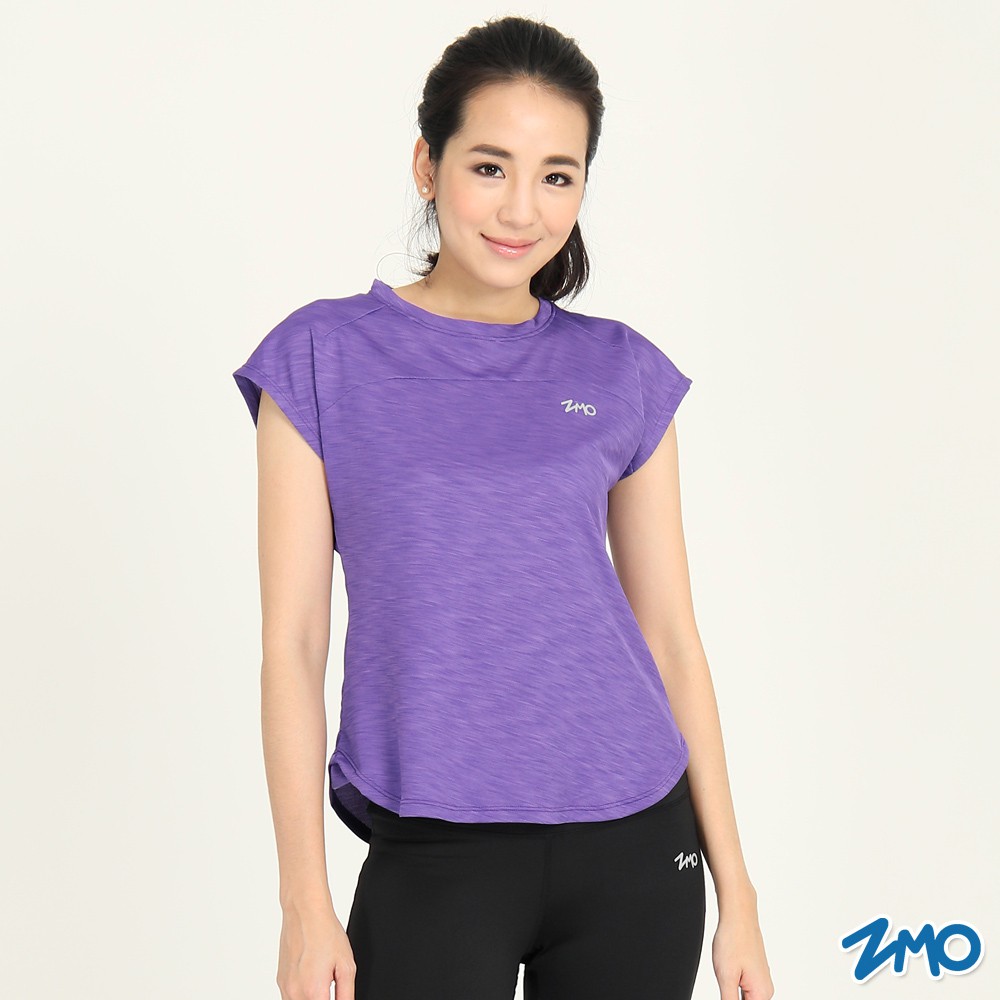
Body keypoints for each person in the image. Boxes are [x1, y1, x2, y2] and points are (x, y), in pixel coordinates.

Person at [232, 14, 774, 1000]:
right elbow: (294, 643)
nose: (522, 208)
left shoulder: (620, 371)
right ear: (427, 166)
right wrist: (303, 900)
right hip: (435, 845)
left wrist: (737, 891)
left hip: (637, 844)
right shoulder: (321, 358)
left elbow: (670, 638)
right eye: (490, 167)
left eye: (557, 175)